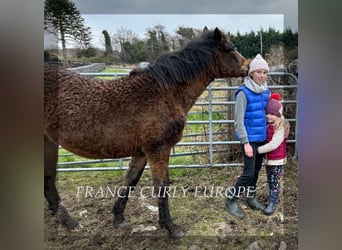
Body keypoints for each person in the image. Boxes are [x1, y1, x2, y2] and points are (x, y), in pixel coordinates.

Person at [225, 54, 270, 219]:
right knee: (248, 173)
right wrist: (245, 143)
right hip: (249, 140)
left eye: (265, 72)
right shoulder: (243, 93)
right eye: (259, 72)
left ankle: (250, 197)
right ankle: (231, 199)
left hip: (262, 138)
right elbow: (238, 121)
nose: (262, 75)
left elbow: (268, 114)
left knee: (256, 171)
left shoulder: (266, 91)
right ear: (251, 73)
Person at [257, 93, 288, 215]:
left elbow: (273, 144)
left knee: (274, 180)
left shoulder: (280, 127)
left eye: (273, 114)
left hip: (277, 160)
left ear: (278, 114)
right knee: (270, 179)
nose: (269, 116)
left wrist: (258, 150)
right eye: (268, 113)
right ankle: (272, 197)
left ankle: (272, 203)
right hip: (269, 159)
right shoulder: (269, 124)